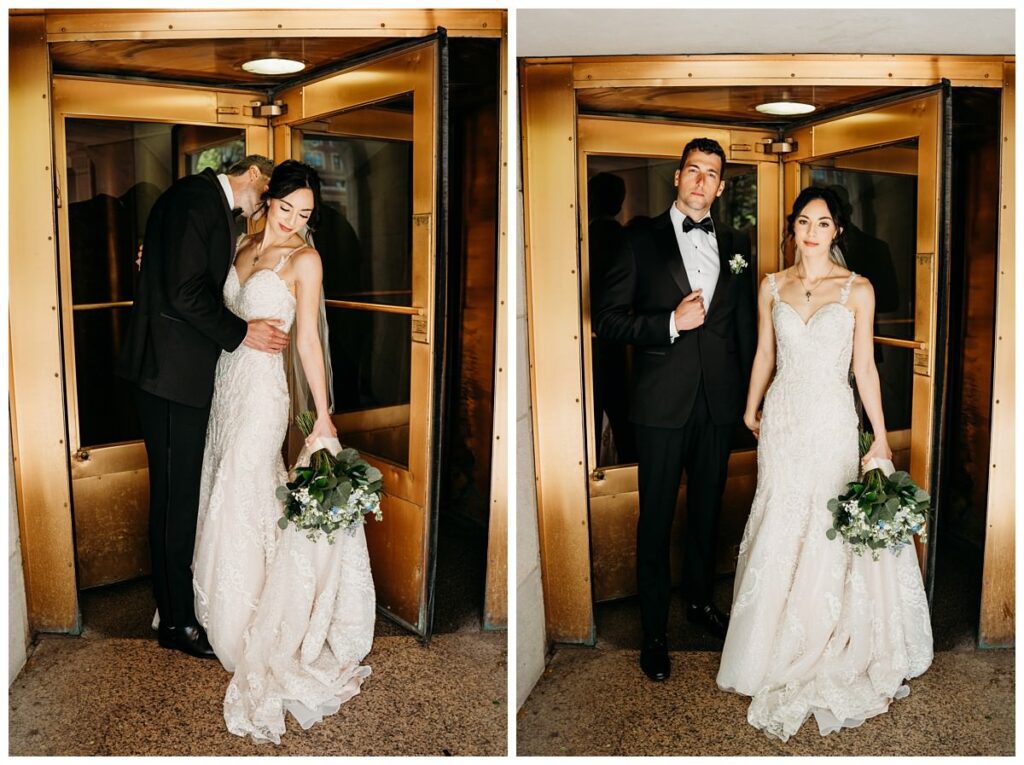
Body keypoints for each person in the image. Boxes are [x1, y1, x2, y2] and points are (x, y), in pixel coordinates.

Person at [716, 186, 933, 741]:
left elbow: (865, 368)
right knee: (781, 517)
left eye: (823, 222)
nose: (812, 231)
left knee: (826, 523)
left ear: (838, 230)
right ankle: (770, 642)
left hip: (833, 419)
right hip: (784, 418)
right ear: (792, 228)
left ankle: (827, 636)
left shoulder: (857, 289)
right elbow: (766, 351)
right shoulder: (771, 285)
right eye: (804, 222)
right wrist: (750, 404)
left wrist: (880, 437)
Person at [190, 160, 375, 744]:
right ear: (268, 200)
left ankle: (253, 619)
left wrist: (321, 415)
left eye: (306, 214)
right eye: (287, 208)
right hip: (226, 381)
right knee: (223, 477)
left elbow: (309, 341)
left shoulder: (305, 260)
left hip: (266, 391)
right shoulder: (241, 242)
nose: (295, 222)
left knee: (245, 481)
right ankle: (221, 601)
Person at [595, 137, 756, 682]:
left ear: (720, 184)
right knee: (657, 518)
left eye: (711, 174)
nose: (700, 181)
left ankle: (699, 604)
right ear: (677, 176)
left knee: (708, 511)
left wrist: (751, 399)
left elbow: (744, 329)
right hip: (661, 405)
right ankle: (654, 632)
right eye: (693, 170)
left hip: (718, 404)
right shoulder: (639, 240)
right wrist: (668, 324)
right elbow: (608, 320)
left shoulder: (737, 242)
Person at [116, 155, 282, 659]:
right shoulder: (196, 200)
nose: (263, 206)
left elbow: (178, 273)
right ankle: (176, 623)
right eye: (267, 194)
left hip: (177, 373)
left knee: (177, 495)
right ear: (254, 174)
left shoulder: (195, 201)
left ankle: (173, 606)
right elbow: (187, 293)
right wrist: (242, 332)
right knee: (175, 499)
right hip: (170, 375)